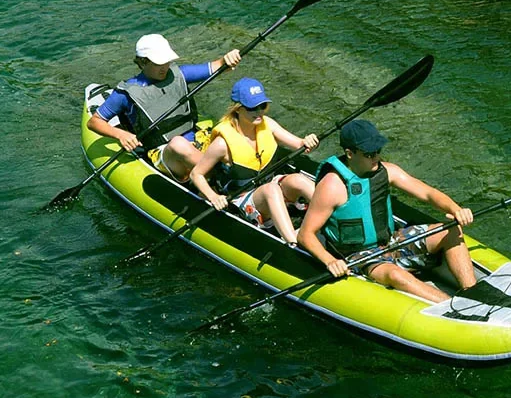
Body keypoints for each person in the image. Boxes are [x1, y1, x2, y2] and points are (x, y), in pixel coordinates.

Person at [298, 119, 477, 303]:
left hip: (392, 241)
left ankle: (472, 292)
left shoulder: (387, 171)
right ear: (350, 153)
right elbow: (305, 235)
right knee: (395, 274)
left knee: (451, 230)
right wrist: (330, 261)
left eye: (378, 151)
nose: (376, 157)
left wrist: (455, 209)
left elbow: (428, 193)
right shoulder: (332, 186)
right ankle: (452, 306)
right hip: (359, 256)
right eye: (369, 154)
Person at [87, 33, 241, 181]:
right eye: (158, 64)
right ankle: (224, 178)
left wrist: (228, 58)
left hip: (197, 140)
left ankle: (242, 171)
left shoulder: (178, 74)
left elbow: (219, 66)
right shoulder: (125, 94)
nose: (164, 68)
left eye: (166, 62)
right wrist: (120, 135)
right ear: (142, 62)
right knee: (178, 144)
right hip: (163, 152)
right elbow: (94, 122)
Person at [189, 77, 319, 246]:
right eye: (252, 108)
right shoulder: (222, 144)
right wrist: (213, 197)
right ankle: (294, 243)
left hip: (269, 184)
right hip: (243, 198)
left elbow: (299, 144)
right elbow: (196, 174)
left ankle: (338, 219)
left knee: (299, 180)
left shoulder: (268, 125)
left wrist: (308, 141)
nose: (259, 112)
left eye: (262, 106)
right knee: (271, 190)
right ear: (238, 109)